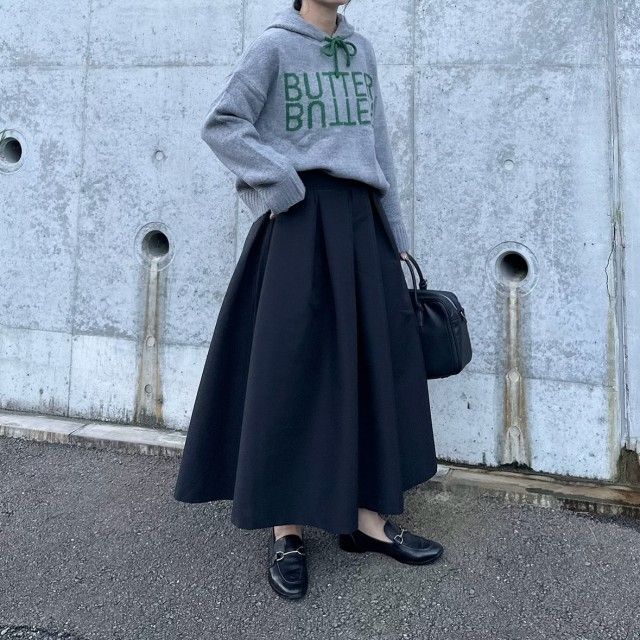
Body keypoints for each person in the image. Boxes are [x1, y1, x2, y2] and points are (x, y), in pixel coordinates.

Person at [173, 0, 443, 600]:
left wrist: (395, 234)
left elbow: (378, 146)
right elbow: (223, 123)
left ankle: (367, 522)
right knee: (289, 370)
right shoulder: (274, 46)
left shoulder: (361, 50)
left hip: (362, 224)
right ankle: (287, 531)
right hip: (300, 223)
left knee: (371, 367)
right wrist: (281, 183)